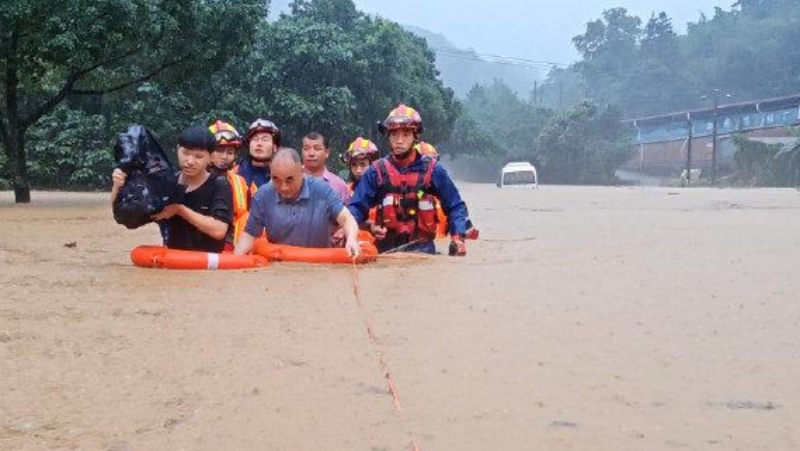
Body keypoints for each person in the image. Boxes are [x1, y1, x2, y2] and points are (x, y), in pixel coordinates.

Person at [348, 104, 469, 256]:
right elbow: (356, 208)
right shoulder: (376, 171)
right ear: (388, 136)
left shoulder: (433, 170)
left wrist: (457, 239)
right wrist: (358, 229)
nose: (399, 141)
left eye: (405, 134)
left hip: (423, 250)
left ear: (415, 137)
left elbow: (455, 206)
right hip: (385, 250)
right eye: (394, 135)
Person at [111, 125, 232, 253]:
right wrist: (118, 186)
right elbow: (126, 218)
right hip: (172, 259)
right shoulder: (167, 181)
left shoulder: (219, 184)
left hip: (207, 260)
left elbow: (219, 231)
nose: (190, 161)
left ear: (210, 158)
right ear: (178, 149)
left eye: (199, 156)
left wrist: (179, 210)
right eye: (185, 153)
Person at [233, 148, 361, 257]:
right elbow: (249, 234)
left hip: (319, 264)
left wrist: (351, 239)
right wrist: (235, 261)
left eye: (289, 180)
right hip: (279, 266)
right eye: (276, 180)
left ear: (302, 172)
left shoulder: (321, 190)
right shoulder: (263, 195)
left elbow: (346, 219)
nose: (283, 187)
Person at [208, 120, 252, 249]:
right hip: (199, 248)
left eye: (230, 152)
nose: (224, 156)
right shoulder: (193, 180)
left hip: (232, 249)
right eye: (219, 150)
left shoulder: (241, 184)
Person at [301, 131, 351, 203]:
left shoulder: (338, 185)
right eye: (306, 148)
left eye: (317, 149)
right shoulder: (290, 180)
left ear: (327, 152)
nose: (311, 153)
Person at [235, 118, 281, 192]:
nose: (259, 144)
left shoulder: (283, 175)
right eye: (255, 139)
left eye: (265, 139)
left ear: (275, 147)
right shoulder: (235, 172)